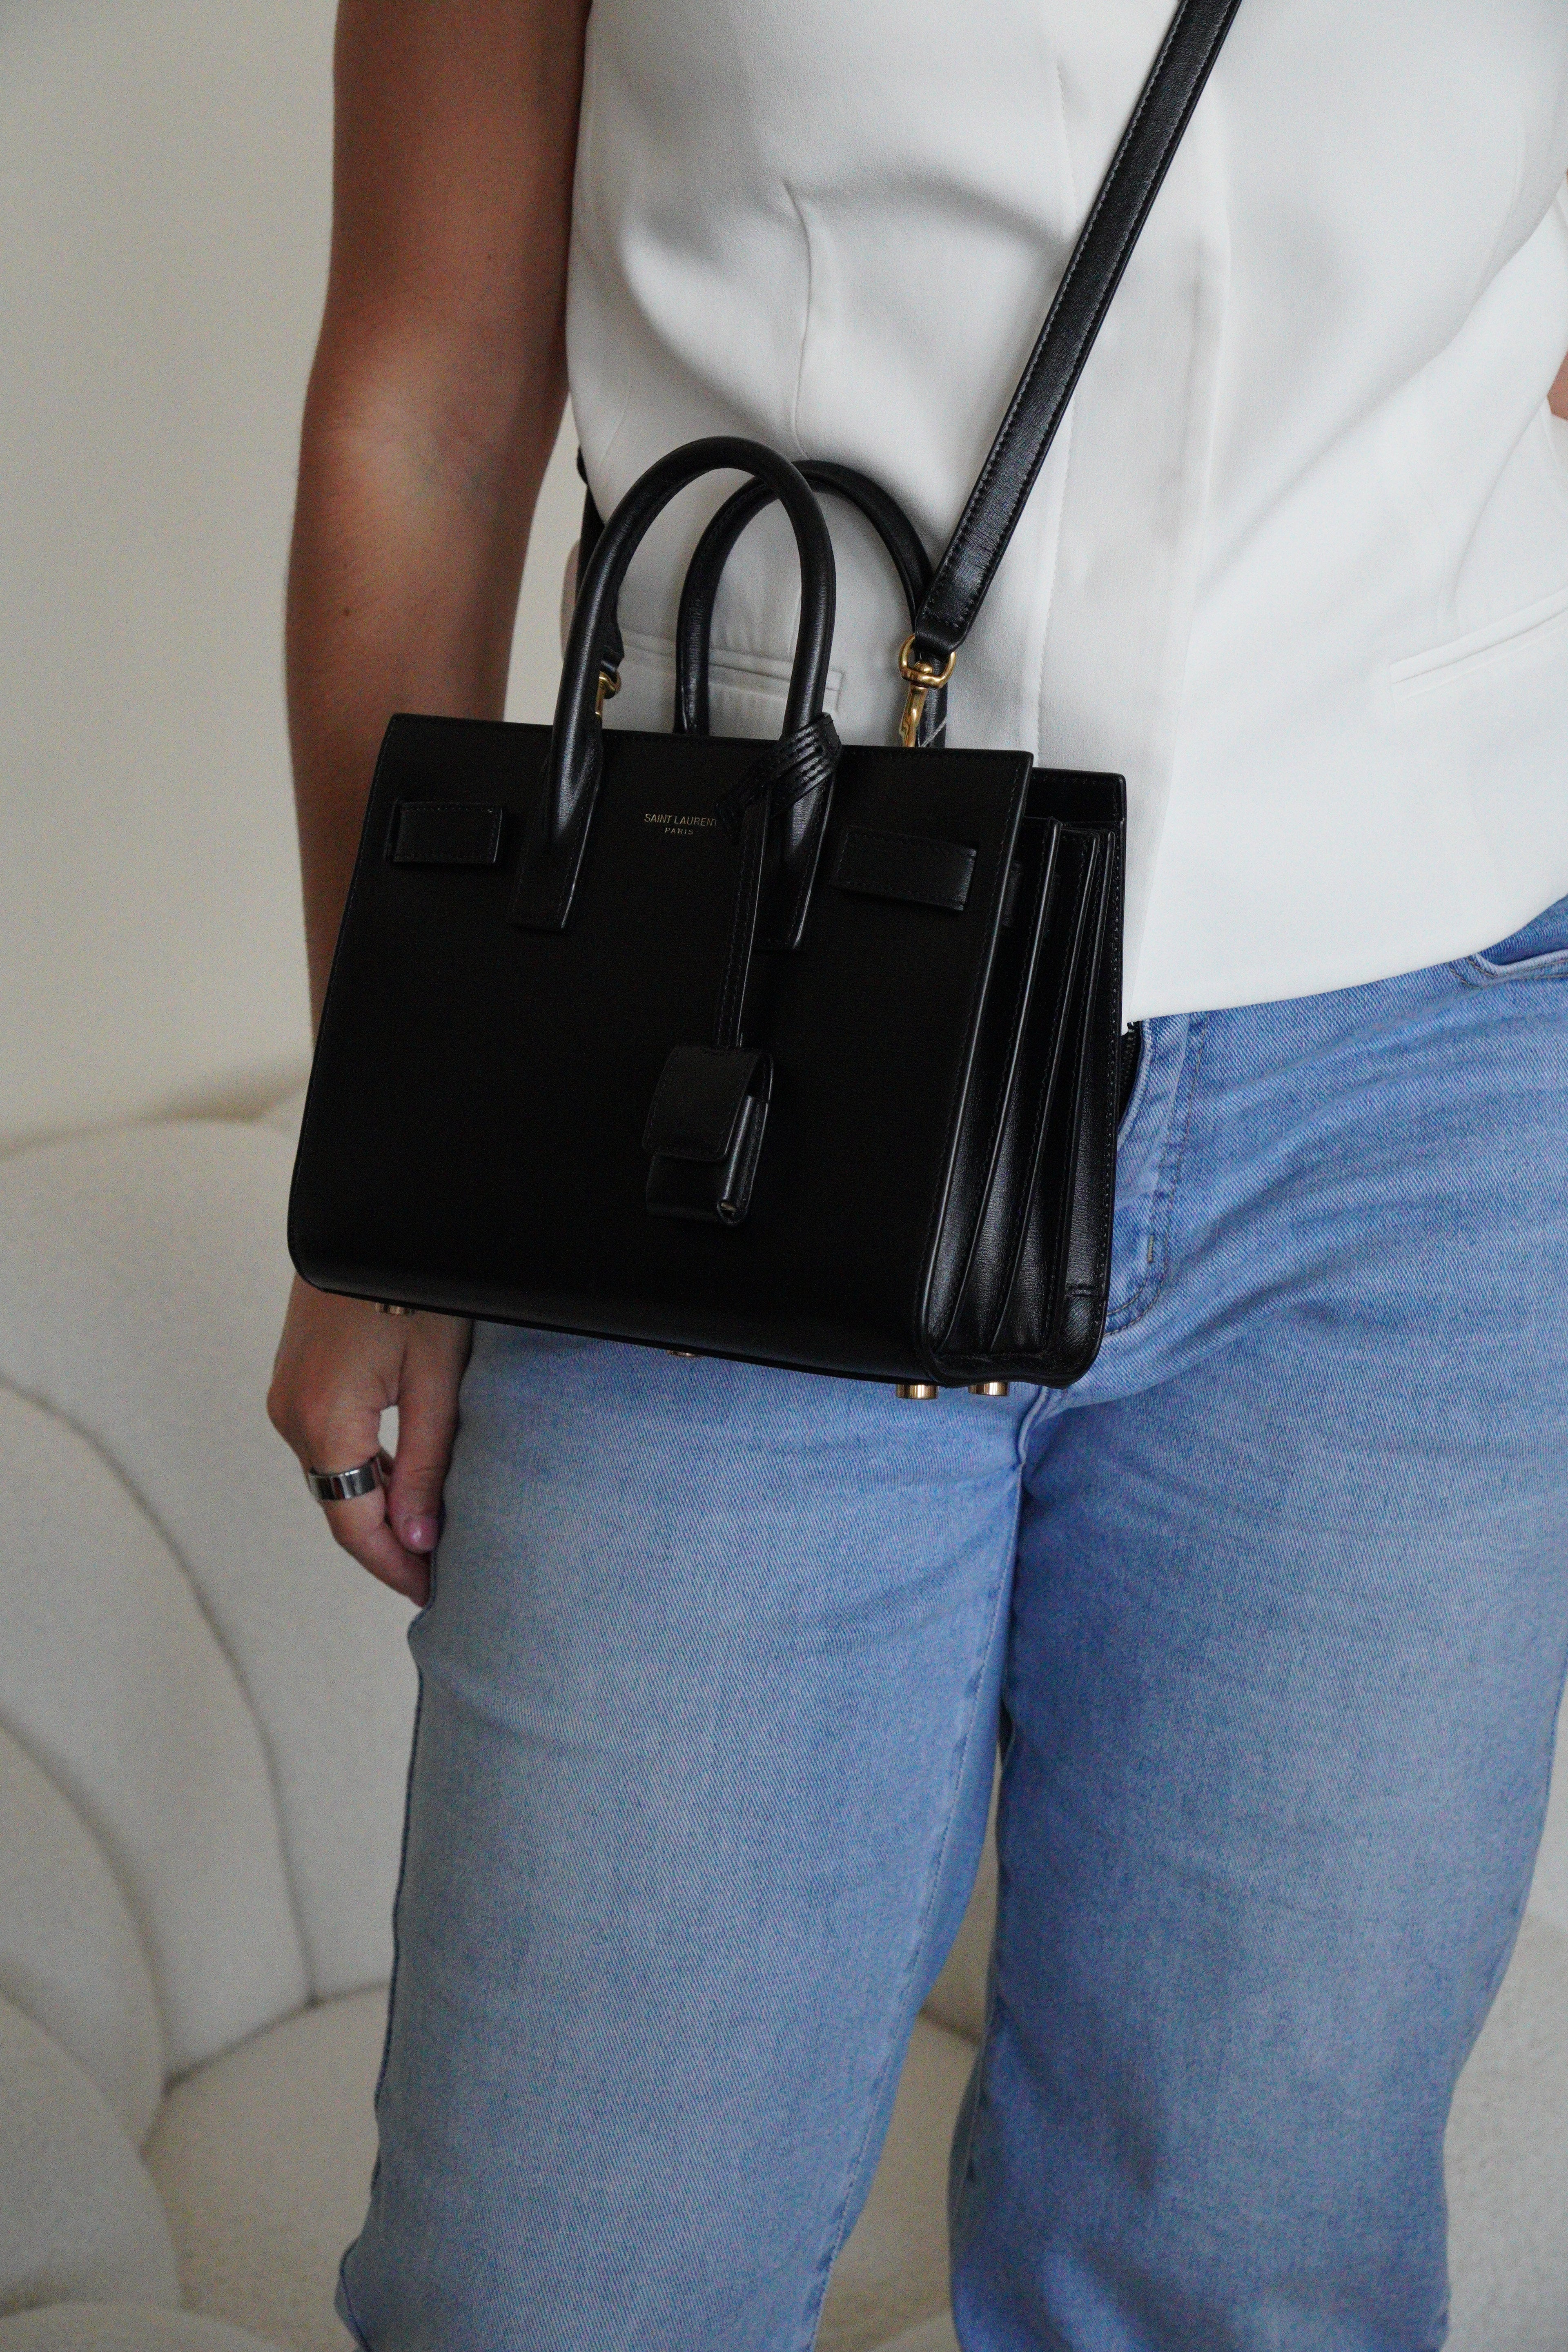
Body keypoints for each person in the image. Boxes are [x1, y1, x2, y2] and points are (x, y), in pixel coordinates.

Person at [267, 3, 1568, 2344]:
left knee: (1239, 2277)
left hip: (1425, 1078)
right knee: (559, 2289)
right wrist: (386, 1169)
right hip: (727, 1059)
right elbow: (428, 407)